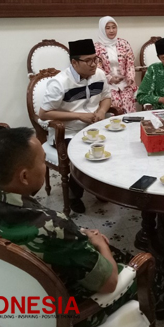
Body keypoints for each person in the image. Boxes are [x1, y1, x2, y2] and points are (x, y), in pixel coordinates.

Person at [0, 128, 135, 327]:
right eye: (43, 161)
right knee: (135, 268)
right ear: (24, 176)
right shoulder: (54, 226)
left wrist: (79, 235)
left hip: (5, 299)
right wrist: (98, 243)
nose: (45, 167)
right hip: (59, 316)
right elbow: (110, 283)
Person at [39, 39, 112, 213]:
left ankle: (99, 187)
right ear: (74, 62)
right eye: (88, 61)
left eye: (96, 59)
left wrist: (102, 111)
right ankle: (73, 195)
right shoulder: (60, 82)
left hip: (94, 128)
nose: (94, 64)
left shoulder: (99, 75)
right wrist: (78, 115)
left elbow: (106, 97)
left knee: (115, 148)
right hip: (68, 132)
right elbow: (44, 114)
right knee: (82, 155)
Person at [94, 16, 137, 113]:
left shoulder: (124, 43)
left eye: (114, 27)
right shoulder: (96, 47)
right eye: (107, 28)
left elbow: (130, 63)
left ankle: (130, 125)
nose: (111, 30)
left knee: (127, 98)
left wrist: (130, 77)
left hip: (125, 82)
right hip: (107, 84)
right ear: (102, 29)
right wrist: (109, 78)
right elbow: (97, 68)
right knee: (114, 101)